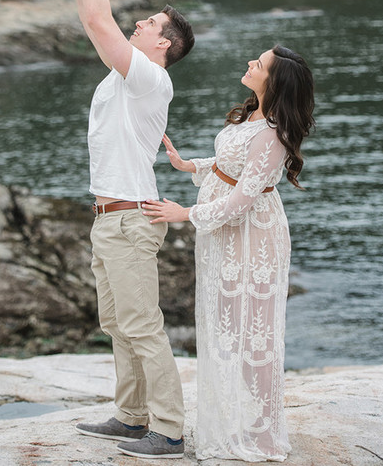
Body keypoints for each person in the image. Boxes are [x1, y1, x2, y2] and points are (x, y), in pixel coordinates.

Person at [61, 0, 195, 461]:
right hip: (110, 216)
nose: (138, 21)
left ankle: (168, 431)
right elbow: (93, 21)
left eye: (149, 21)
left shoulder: (149, 76)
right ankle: (130, 416)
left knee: (142, 326)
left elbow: (96, 19)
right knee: (117, 322)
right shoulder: (127, 75)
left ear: (163, 43)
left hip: (131, 218)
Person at [143, 45, 315, 462]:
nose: (250, 63)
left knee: (254, 333)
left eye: (260, 64)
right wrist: (190, 166)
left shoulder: (274, 132)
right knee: (225, 326)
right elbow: (230, 163)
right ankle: (234, 418)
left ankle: (258, 431)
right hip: (224, 236)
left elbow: (243, 199)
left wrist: (185, 213)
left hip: (252, 237)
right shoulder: (253, 115)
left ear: (275, 81)